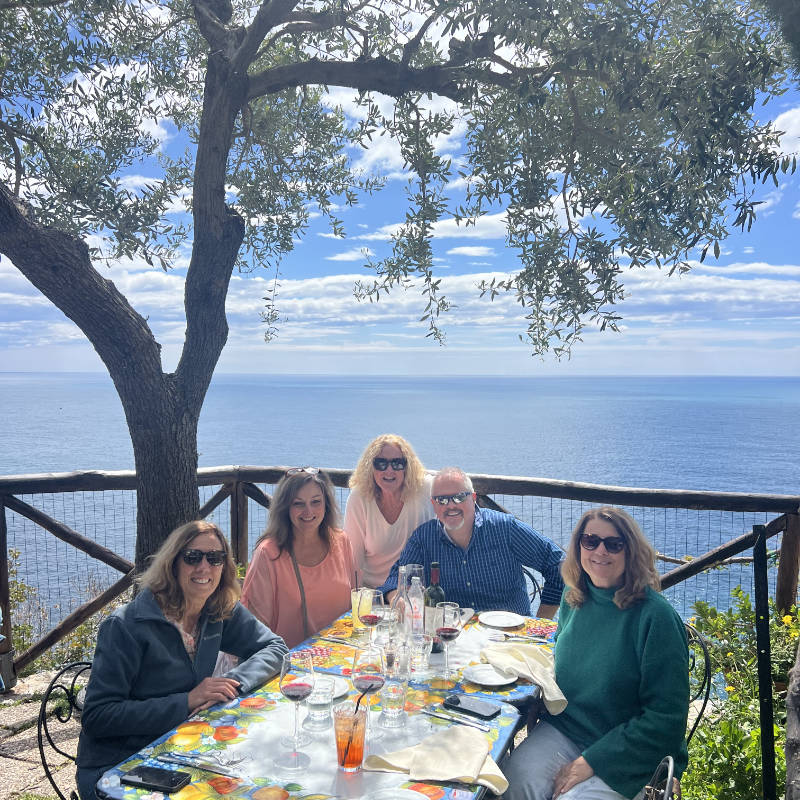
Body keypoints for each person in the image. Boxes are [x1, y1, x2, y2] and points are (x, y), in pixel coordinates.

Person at [76, 520, 287, 800]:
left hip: (183, 746)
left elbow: (275, 647)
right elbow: (98, 716)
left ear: (224, 566)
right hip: (119, 764)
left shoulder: (217, 610)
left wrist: (233, 682)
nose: (204, 567)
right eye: (192, 557)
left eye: (214, 558)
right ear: (172, 563)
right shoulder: (126, 626)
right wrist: (186, 701)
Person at [502, 507, 689, 800]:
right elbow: (560, 659)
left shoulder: (656, 617)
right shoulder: (574, 596)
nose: (600, 551)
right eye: (590, 541)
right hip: (567, 729)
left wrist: (592, 761)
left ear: (631, 551)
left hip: (632, 750)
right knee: (512, 783)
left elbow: (666, 720)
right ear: (579, 546)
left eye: (614, 544)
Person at [379, 467, 564, 618]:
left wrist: (541, 622)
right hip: (454, 635)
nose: (451, 505)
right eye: (442, 500)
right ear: (433, 504)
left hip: (510, 635)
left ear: (473, 498)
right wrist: (397, 598)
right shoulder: (424, 537)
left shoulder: (505, 528)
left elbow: (559, 564)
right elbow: (396, 577)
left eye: (459, 497)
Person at [241, 467, 355, 648]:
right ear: (285, 507)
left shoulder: (341, 541)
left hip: (341, 655)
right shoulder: (268, 554)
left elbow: (354, 605)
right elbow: (255, 629)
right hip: (288, 659)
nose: (308, 511)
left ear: (326, 504)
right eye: (298, 504)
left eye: (316, 502)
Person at [344, 434, 435, 587]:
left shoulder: (425, 489)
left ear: (408, 467)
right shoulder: (359, 498)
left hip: (415, 591)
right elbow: (354, 562)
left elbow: (458, 487)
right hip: (374, 592)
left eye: (397, 463)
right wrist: (357, 598)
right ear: (370, 467)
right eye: (381, 463)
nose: (389, 470)